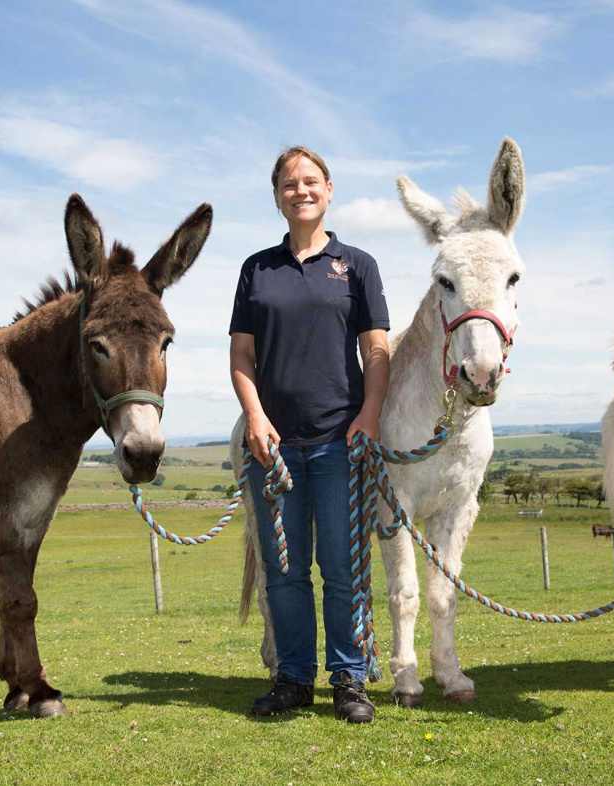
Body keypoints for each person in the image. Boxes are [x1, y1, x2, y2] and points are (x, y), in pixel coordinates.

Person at [229, 146, 391, 724]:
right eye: (289, 183)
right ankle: (294, 678)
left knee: (343, 567)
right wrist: (254, 416)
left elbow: (376, 349)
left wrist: (370, 412)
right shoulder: (257, 269)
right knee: (286, 570)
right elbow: (241, 356)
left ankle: (349, 678)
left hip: (338, 442)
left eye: (311, 181)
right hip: (272, 447)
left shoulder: (359, 266)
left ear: (328, 189)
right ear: (277, 195)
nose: (301, 190)